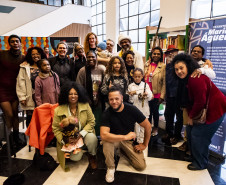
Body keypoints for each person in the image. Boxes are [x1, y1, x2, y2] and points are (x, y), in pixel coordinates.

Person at [172, 53, 226, 170]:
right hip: (203, 109)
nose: (179, 71)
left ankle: (200, 163)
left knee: (199, 135)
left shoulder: (195, 78)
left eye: (181, 68)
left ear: (188, 66)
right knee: (191, 132)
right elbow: (190, 100)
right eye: (176, 69)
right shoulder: (186, 79)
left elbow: (200, 102)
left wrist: (191, 116)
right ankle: (195, 157)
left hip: (215, 110)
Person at [100, 86, 152, 183]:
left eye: (117, 99)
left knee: (140, 166)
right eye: (111, 99)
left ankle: (122, 151)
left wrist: (144, 144)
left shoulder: (131, 109)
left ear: (122, 98)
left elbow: (148, 126)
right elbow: (103, 135)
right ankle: (111, 168)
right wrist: (125, 136)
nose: (114, 102)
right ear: (108, 100)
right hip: (114, 140)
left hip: (128, 142)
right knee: (106, 141)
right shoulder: (106, 113)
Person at [52, 82, 98, 171]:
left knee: (92, 138)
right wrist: (65, 140)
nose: (73, 96)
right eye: (70, 94)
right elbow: (56, 129)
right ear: (66, 95)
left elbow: (91, 121)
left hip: (83, 134)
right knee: (75, 158)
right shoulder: (58, 110)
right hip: (69, 138)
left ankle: (92, 155)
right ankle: (71, 151)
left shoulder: (85, 105)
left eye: (75, 94)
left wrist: (80, 134)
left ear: (79, 95)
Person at [178, 45, 216, 152]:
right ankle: (187, 143)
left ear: (202, 55)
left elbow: (213, 75)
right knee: (187, 123)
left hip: (199, 100)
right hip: (186, 98)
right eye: (193, 51)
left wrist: (202, 70)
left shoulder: (205, 65)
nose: (195, 53)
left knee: (196, 124)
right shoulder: (186, 64)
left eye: (198, 52)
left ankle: (193, 147)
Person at [0, 35, 25, 146]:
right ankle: (8, 135)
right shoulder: (2, 54)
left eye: (17, 41)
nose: (15, 43)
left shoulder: (23, 58)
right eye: (12, 41)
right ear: (9, 43)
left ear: (20, 43)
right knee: (8, 114)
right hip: (2, 89)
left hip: (15, 89)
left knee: (15, 114)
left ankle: (16, 135)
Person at [16, 46, 47, 128]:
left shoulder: (46, 66)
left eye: (37, 54)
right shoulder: (24, 67)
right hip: (30, 97)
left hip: (44, 97)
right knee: (31, 120)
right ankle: (31, 139)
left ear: (41, 55)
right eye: (33, 54)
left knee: (43, 119)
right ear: (30, 55)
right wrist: (22, 97)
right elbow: (20, 82)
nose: (35, 56)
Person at [76, 50, 105, 135]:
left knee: (98, 122)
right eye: (89, 57)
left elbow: (105, 83)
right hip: (87, 102)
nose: (91, 59)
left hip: (99, 102)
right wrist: (86, 99)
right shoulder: (82, 71)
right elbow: (78, 87)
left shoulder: (101, 69)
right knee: (88, 122)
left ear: (96, 58)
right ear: (86, 58)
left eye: (93, 57)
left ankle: (99, 139)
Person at [162, 45, 183, 145]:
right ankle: (169, 133)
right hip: (169, 95)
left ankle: (177, 136)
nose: (171, 54)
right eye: (168, 52)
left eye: (173, 52)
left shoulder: (182, 64)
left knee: (179, 117)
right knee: (168, 115)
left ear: (177, 52)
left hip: (179, 96)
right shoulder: (167, 66)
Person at [144, 47, 166, 136]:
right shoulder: (147, 64)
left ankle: (156, 128)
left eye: (158, 54)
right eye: (154, 53)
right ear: (151, 54)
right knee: (147, 112)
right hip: (146, 93)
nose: (156, 55)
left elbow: (164, 82)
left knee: (155, 112)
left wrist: (162, 96)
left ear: (161, 55)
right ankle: (148, 127)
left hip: (156, 93)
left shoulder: (163, 66)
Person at [128, 68, 153, 143]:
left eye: (139, 76)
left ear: (142, 76)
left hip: (144, 109)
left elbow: (150, 97)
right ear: (133, 77)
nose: (137, 78)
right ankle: (136, 141)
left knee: (143, 126)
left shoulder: (145, 85)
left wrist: (146, 94)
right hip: (135, 108)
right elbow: (130, 100)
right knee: (136, 126)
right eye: (135, 76)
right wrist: (132, 95)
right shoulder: (130, 86)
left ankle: (142, 141)